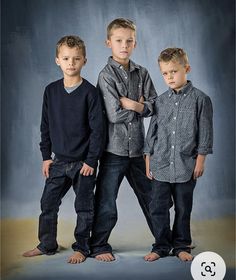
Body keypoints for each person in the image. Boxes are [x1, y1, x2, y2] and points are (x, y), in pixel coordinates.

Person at [22, 35, 104, 264]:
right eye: (66, 58)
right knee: (48, 204)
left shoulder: (90, 93)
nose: (71, 63)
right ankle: (47, 244)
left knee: (84, 207)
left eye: (76, 59)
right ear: (57, 60)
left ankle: (82, 247)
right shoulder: (51, 91)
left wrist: (91, 161)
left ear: (84, 61)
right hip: (58, 162)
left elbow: (98, 131)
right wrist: (46, 157)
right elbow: (45, 125)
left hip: (83, 164)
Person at [90, 18, 157, 262]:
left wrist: (132, 103)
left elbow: (154, 106)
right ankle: (99, 245)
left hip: (139, 149)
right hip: (113, 150)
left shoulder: (143, 73)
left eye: (129, 41)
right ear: (109, 43)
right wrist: (140, 106)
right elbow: (114, 115)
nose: (124, 45)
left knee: (152, 198)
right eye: (119, 40)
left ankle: (165, 241)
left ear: (135, 43)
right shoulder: (105, 76)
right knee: (106, 200)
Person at [144, 47, 213, 262]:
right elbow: (151, 134)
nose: (169, 77)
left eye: (174, 71)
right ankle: (161, 246)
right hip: (160, 164)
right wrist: (148, 162)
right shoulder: (159, 102)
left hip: (186, 165)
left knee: (183, 209)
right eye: (165, 73)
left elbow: (205, 132)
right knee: (158, 208)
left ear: (187, 69)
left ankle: (181, 245)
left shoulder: (201, 100)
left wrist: (200, 160)